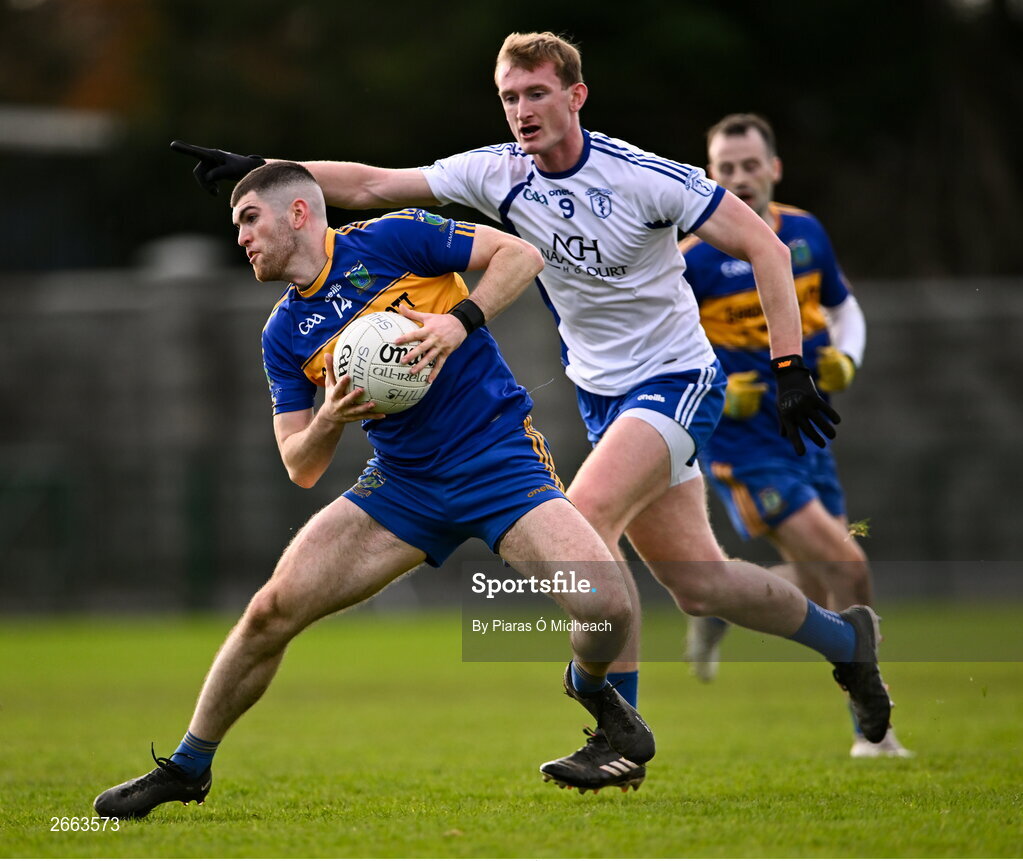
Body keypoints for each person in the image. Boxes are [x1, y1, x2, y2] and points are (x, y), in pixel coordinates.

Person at [170, 31, 892, 795]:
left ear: (575, 96)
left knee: (588, 517)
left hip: (677, 376)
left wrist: (788, 367)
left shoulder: (642, 177)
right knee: (698, 583)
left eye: (536, 94)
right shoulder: (497, 171)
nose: (520, 111)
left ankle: (613, 735)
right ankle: (846, 641)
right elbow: (376, 184)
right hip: (602, 395)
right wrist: (266, 172)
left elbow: (765, 249)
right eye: (509, 97)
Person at [92, 161, 656, 819]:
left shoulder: (392, 238)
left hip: (498, 462)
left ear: (298, 213)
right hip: (401, 487)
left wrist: (458, 320)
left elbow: (520, 254)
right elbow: (299, 463)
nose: (241, 237)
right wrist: (328, 419)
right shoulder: (283, 332)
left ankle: (588, 690)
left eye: (249, 219)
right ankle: (187, 767)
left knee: (607, 605)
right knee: (270, 611)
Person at [679, 113, 911, 758]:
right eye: (726, 169)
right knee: (847, 564)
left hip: (806, 430)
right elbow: (666, 348)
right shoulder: (693, 257)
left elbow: (842, 306)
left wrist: (847, 358)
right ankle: (875, 726)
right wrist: (723, 391)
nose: (740, 178)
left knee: (814, 583)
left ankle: (725, 604)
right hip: (743, 446)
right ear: (709, 175)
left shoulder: (804, 232)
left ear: (774, 168)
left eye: (751, 165)